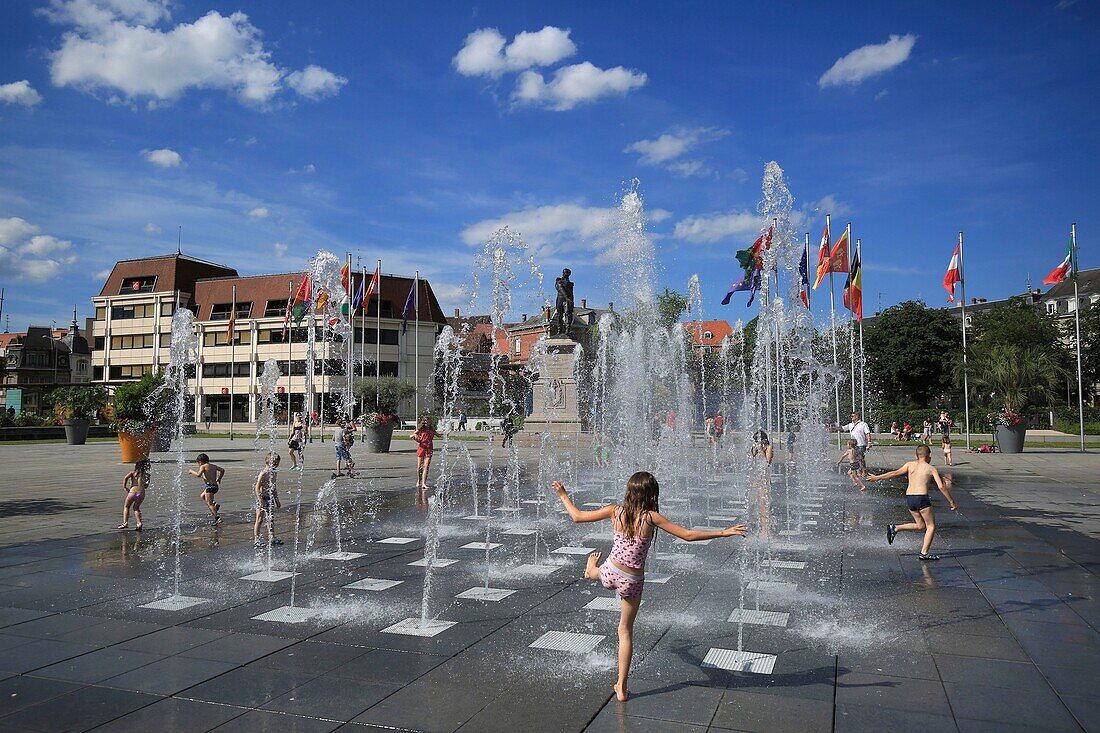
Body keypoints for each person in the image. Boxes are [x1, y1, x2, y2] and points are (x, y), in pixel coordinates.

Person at [551, 473, 746, 702]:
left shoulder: (616, 511)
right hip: (632, 581)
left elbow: (577, 517)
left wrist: (563, 495)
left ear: (629, 492)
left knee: (599, 573)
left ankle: (591, 570)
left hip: (610, 572)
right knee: (624, 630)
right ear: (652, 494)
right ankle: (621, 687)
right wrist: (724, 532)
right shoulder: (651, 517)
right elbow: (688, 535)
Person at [866, 444, 958, 561]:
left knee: (921, 525)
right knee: (931, 526)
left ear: (916, 455)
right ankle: (924, 553)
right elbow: (941, 486)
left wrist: (877, 477)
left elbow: (894, 473)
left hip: (910, 498)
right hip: (921, 498)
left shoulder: (910, 465)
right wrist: (951, 501)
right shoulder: (930, 468)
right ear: (929, 455)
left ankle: (895, 528)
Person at [253, 453, 283, 547]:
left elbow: (273, 487)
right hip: (262, 498)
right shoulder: (264, 473)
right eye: (274, 464)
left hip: (269, 498)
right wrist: (260, 500)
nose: (276, 466)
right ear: (268, 462)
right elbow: (257, 488)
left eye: (277, 464)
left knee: (270, 519)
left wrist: (276, 499)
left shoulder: (274, 473)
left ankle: (272, 537)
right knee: (259, 519)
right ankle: (256, 539)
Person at [188, 453, 224, 525]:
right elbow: (222, 470)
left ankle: (218, 518)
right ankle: (215, 504)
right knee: (202, 496)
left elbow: (198, 475)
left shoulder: (203, 466)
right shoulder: (213, 466)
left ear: (200, 461)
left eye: (198, 463)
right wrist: (219, 478)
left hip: (209, 487)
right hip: (215, 486)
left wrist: (191, 472)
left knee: (209, 504)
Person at [118, 457, 150, 530]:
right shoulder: (147, 475)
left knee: (126, 507)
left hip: (132, 492)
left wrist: (125, 487)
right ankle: (139, 523)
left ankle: (125, 523)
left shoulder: (133, 473)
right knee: (136, 508)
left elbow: (125, 478)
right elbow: (146, 486)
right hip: (141, 493)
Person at [411, 417, 436, 490]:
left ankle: (424, 483)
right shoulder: (421, 429)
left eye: (428, 421)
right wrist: (415, 437)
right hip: (421, 448)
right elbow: (411, 435)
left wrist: (445, 434)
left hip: (429, 448)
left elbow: (439, 435)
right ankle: (419, 480)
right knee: (419, 468)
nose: (427, 423)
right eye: (425, 421)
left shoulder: (432, 429)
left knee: (426, 466)